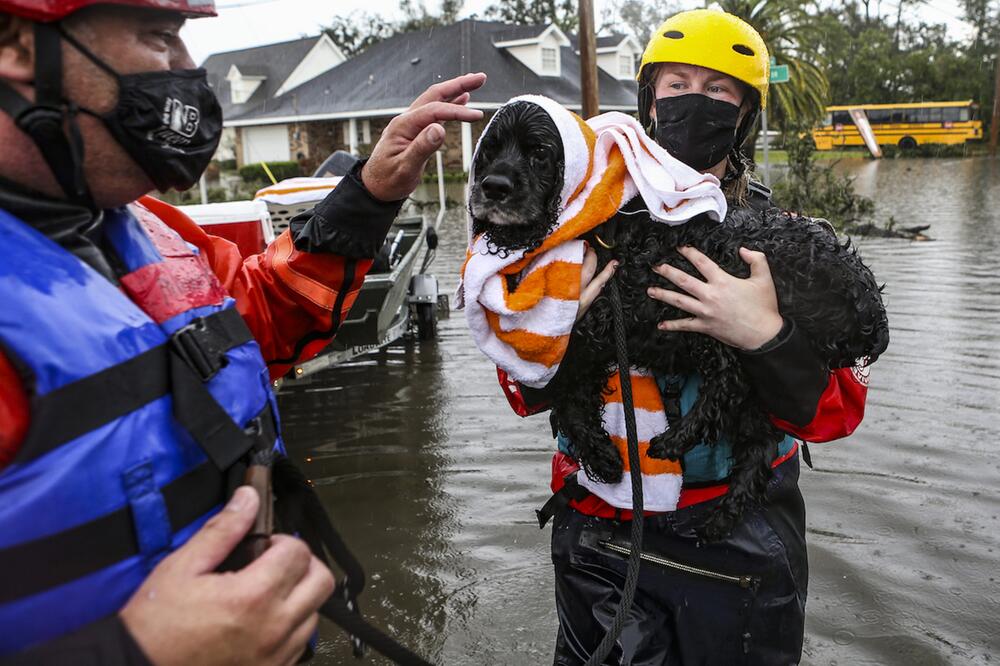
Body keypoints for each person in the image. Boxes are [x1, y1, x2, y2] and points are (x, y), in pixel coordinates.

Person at [0, 1, 486, 663]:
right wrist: (136, 653)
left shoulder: (145, 227)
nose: (187, 69)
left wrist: (370, 192)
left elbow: (255, 318)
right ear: (17, 46)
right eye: (160, 37)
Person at [498, 9, 872, 665]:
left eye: (718, 90)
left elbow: (839, 411)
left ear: (745, 114)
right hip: (599, 533)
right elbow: (521, 392)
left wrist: (765, 335)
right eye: (675, 85)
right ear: (647, 101)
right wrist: (551, 337)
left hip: (739, 536)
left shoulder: (785, 245)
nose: (693, 101)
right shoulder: (580, 225)